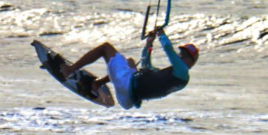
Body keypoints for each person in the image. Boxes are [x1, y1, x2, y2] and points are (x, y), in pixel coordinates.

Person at [61, 28, 198, 109]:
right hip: (129, 100)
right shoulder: (175, 77)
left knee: (106, 48)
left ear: (191, 63)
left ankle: (70, 70)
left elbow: (168, 49)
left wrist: (161, 34)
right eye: (181, 54)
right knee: (130, 62)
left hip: (127, 85)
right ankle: (99, 86)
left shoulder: (182, 72)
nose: (180, 56)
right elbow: (146, 66)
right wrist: (149, 44)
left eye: (185, 56)